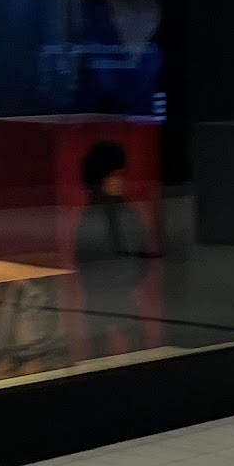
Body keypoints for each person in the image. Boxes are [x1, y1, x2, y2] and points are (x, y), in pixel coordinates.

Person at [72, 141, 157, 358]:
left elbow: (140, 248)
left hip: (111, 292)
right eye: (115, 176)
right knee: (120, 347)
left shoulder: (110, 212)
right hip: (107, 292)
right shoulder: (111, 212)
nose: (120, 181)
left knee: (113, 348)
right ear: (103, 179)